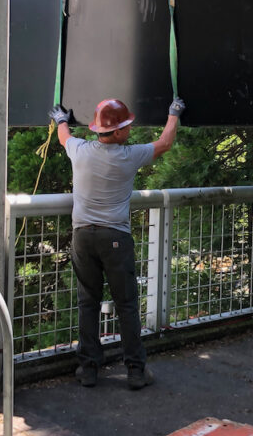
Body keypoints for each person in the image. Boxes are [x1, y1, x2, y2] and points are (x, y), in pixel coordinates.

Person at [48, 96, 184, 390]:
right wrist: (173, 113)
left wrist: (61, 118)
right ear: (119, 132)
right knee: (126, 304)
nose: (130, 130)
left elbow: (63, 137)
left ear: (98, 129)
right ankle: (135, 371)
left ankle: (87, 369)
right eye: (127, 126)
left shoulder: (80, 151)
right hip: (115, 239)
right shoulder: (129, 155)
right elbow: (164, 143)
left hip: (82, 237)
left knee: (88, 302)